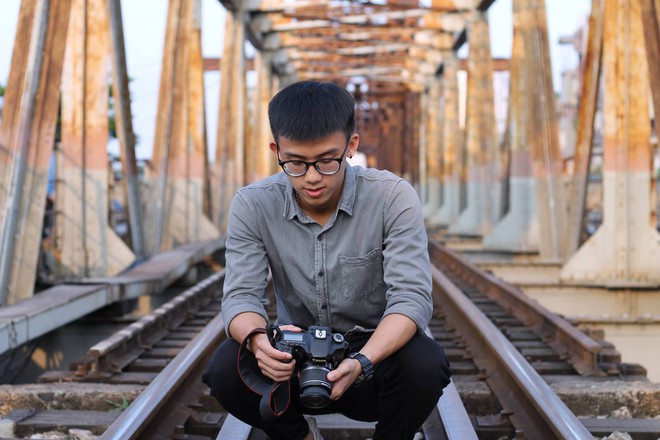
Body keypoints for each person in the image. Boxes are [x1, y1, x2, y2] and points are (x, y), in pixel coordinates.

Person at [203, 80, 451, 440]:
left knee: (424, 364)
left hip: (372, 358)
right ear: (276, 151)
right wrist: (259, 342)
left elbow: (411, 298)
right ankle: (300, 437)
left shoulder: (391, 197)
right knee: (226, 368)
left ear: (351, 146)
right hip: (295, 364)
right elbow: (241, 297)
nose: (313, 178)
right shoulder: (253, 204)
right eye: (296, 164)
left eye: (326, 161)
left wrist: (361, 362)